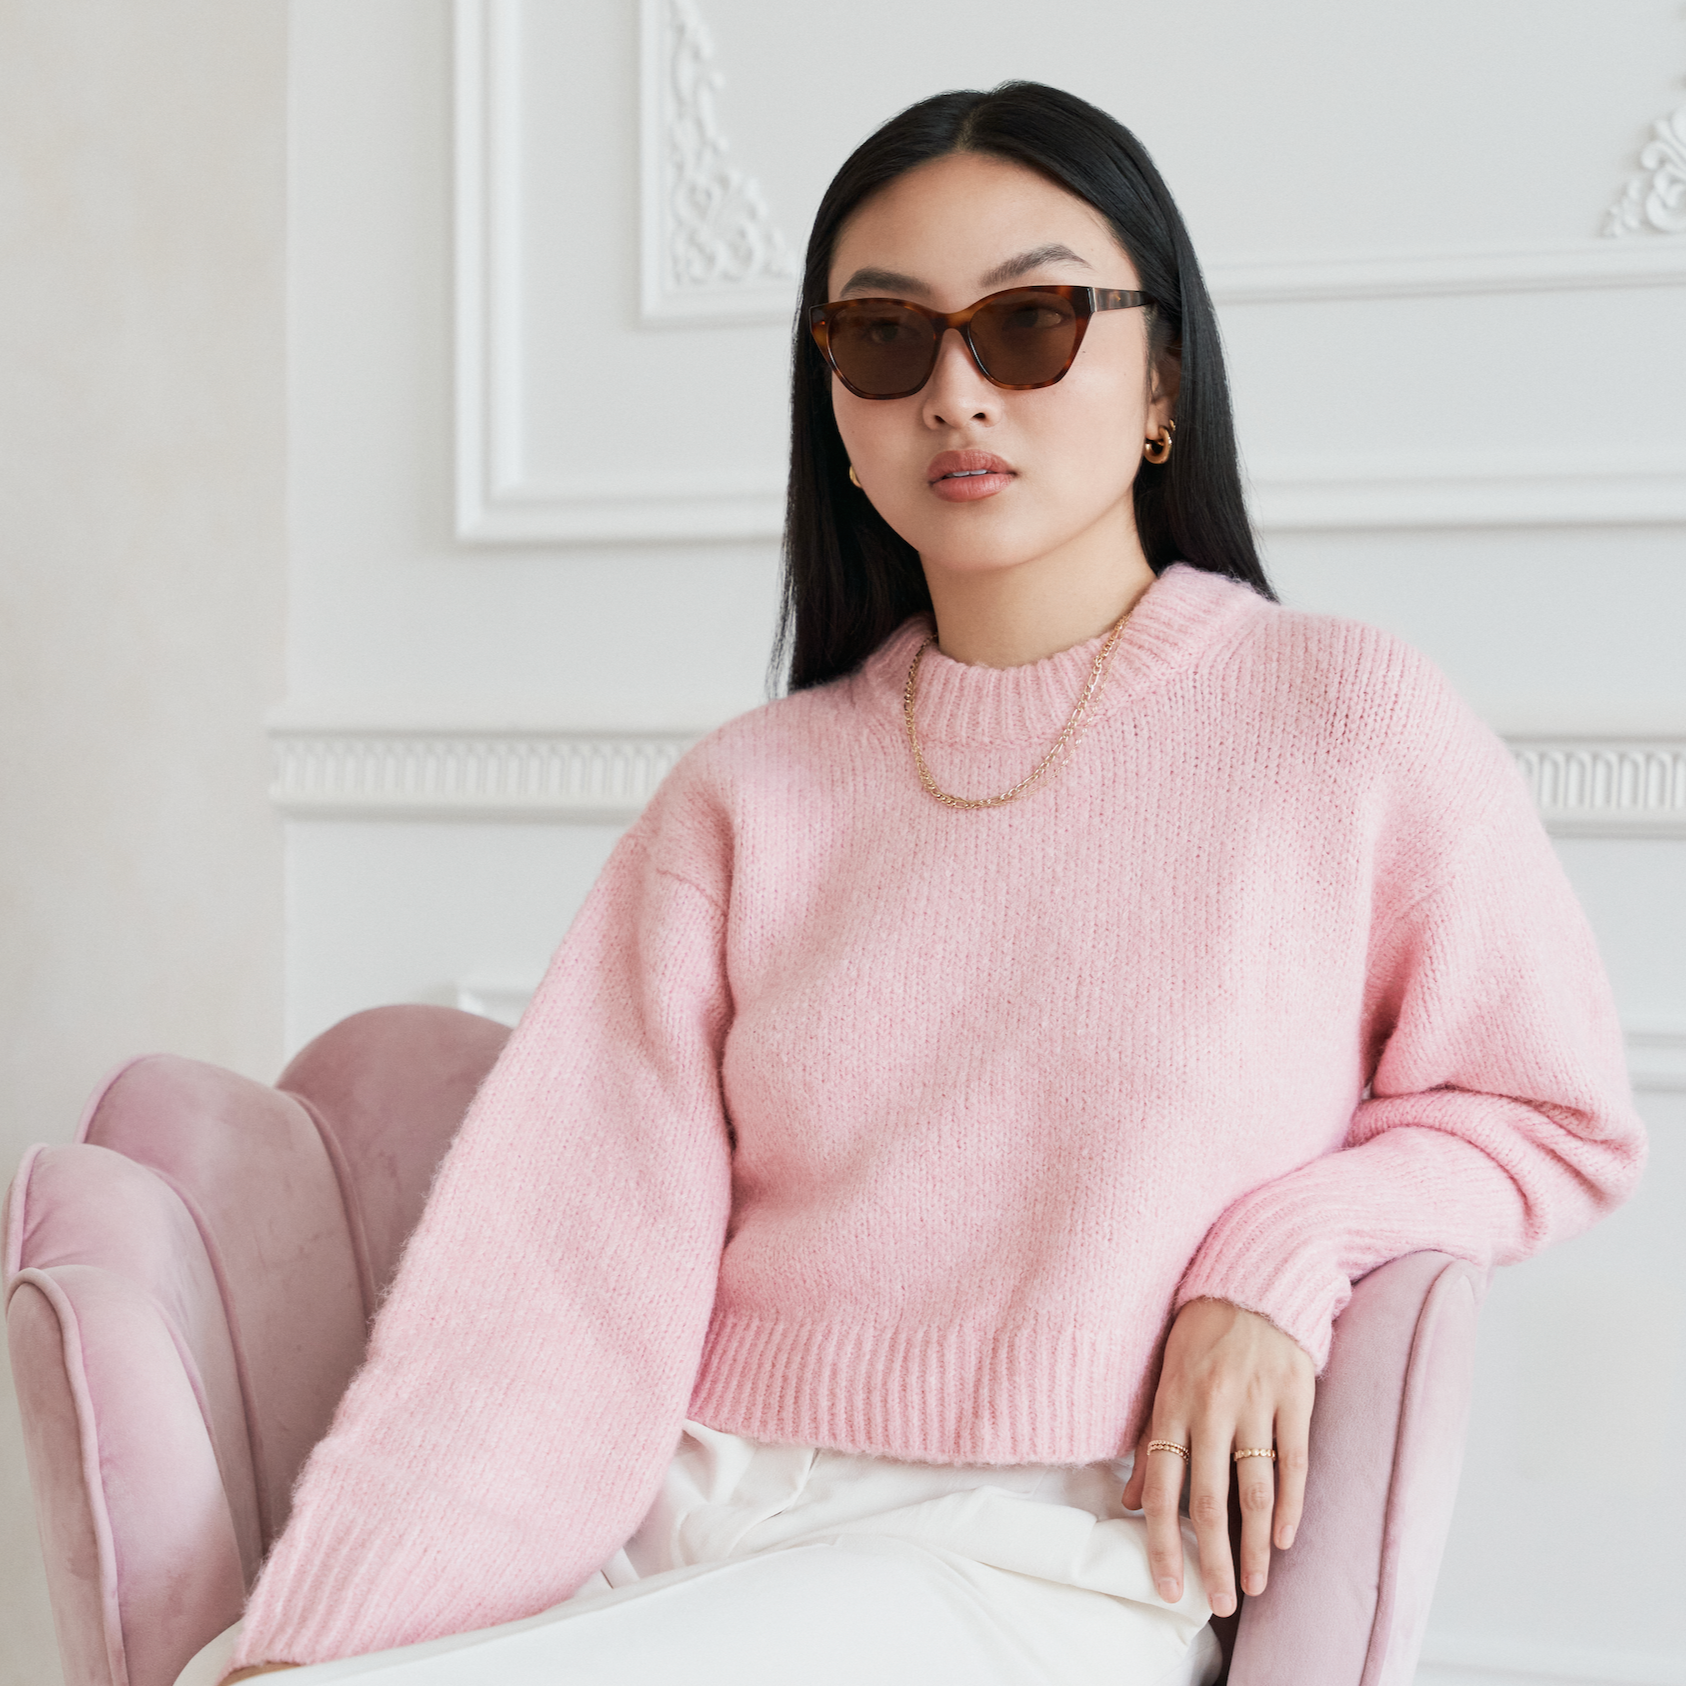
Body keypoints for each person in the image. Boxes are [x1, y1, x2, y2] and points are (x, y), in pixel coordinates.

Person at [215, 82, 1644, 1686]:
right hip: (699, 1516)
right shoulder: (745, 796)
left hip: (1049, 1560)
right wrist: (326, 1635)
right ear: (831, 396)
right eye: (888, 340)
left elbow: (1545, 1110)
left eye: (1030, 323)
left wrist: (1283, 1256)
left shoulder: (1340, 722)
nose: (956, 392)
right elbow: (555, 1273)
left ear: (1161, 373)